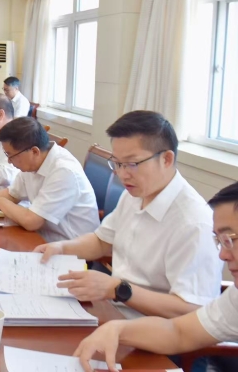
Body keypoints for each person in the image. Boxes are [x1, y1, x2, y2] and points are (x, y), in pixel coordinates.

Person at [35, 111, 221, 319]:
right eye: (117, 163)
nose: (122, 174)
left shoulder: (193, 224)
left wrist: (117, 289)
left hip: (153, 329)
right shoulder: (134, 195)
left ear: (167, 159)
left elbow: (192, 309)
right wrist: (62, 247)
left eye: (132, 164)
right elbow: (102, 241)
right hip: (113, 309)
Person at [73, 181, 238, 372]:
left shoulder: (192, 219)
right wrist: (118, 330)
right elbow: (179, 332)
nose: (222, 255)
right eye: (220, 241)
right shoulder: (234, 298)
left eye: (229, 240)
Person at [0, 117, 100, 242]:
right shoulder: (33, 162)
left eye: (10, 155)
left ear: (34, 151)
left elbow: (31, 221)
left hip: (70, 248)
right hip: (44, 239)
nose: (9, 161)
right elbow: (12, 194)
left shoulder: (63, 171)